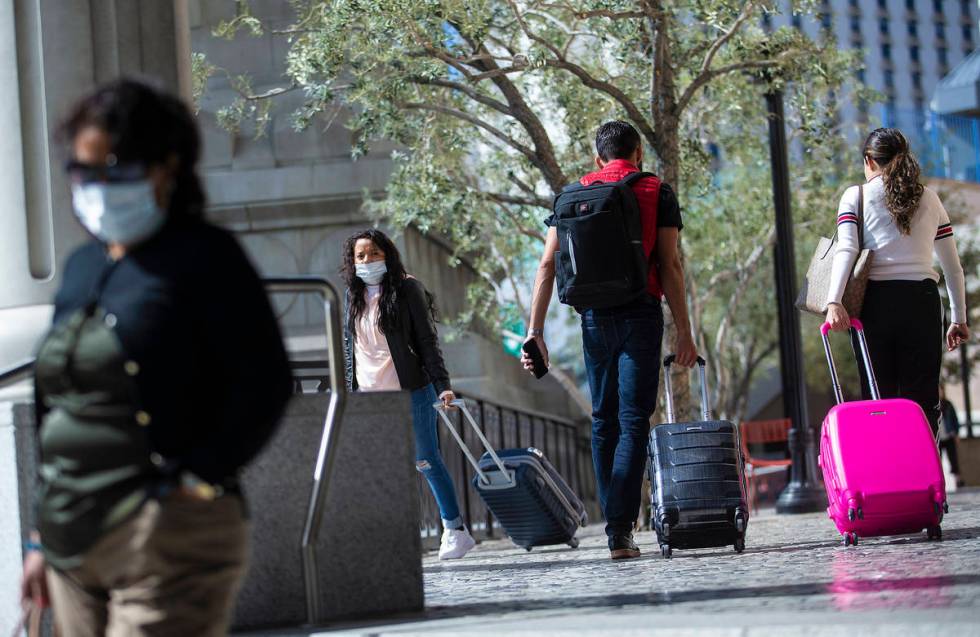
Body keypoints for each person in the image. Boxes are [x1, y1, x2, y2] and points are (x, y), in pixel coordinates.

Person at [18, 79, 293, 636]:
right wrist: (40, 540)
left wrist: (193, 481)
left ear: (165, 167)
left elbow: (263, 382)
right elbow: (57, 407)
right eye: (82, 171)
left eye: (113, 169)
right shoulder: (79, 268)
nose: (96, 188)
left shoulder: (205, 257)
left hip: (166, 533)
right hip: (72, 542)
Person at [522, 121, 697, 560]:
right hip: (641, 313)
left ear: (597, 159)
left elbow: (547, 266)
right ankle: (620, 529)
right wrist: (686, 332)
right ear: (638, 152)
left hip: (593, 318)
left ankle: (617, 527)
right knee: (635, 419)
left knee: (604, 420)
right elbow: (670, 266)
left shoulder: (569, 195)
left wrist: (535, 333)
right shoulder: (656, 190)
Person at [341, 229, 476, 560]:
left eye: (374, 253)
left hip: (411, 390)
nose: (368, 260)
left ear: (387, 254)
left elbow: (428, 341)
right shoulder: (351, 296)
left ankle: (455, 530)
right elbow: (351, 348)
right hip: (370, 396)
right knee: (381, 467)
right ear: (352, 262)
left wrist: (443, 384)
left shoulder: (407, 288)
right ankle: (394, 536)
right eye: (361, 256)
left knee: (426, 459)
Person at [826, 128, 969, 436]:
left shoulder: (856, 195)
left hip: (875, 305)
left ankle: (890, 474)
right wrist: (959, 318)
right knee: (924, 400)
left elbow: (847, 249)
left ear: (869, 161)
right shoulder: (930, 198)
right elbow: (952, 267)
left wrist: (833, 301)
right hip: (922, 301)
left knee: (879, 397)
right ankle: (928, 476)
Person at [939, 384, 965, 488]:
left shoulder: (948, 404)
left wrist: (956, 433)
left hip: (949, 436)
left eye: (940, 390)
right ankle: (939, 482)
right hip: (938, 438)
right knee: (938, 461)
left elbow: (955, 419)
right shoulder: (932, 404)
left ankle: (958, 480)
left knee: (953, 459)